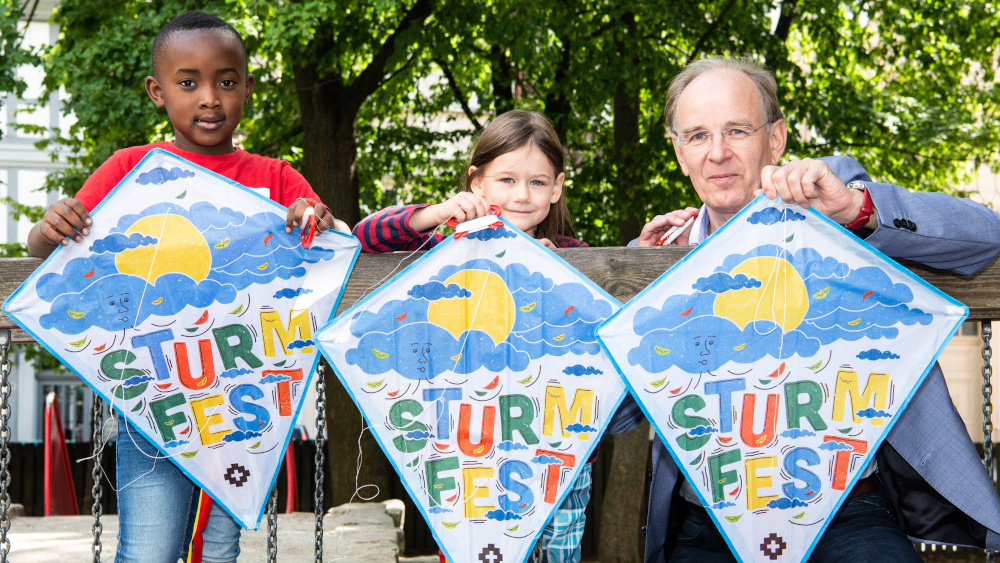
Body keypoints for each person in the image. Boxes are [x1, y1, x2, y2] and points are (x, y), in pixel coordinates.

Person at [609, 57, 1000, 563]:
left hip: (846, 515)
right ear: (680, 153)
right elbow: (617, 417)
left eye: (737, 130)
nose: (718, 153)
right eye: (699, 136)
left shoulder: (828, 203)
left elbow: (985, 237)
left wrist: (858, 210)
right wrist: (635, 311)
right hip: (709, 527)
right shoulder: (658, 256)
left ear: (776, 138)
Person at [26, 11, 340, 563]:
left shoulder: (277, 177)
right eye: (188, 82)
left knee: (217, 552)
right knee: (147, 549)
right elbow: (49, 247)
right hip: (155, 402)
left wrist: (313, 217)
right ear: (157, 91)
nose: (210, 98)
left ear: (246, 87)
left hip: (243, 408)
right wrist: (47, 227)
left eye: (226, 81)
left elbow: (327, 235)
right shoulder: (130, 169)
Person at [354, 109, 592, 563]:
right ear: (476, 182)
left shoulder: (574, 254)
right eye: (506, 180)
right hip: (469, 452)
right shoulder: (446, 247)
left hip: (560, 453)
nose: (522, 195)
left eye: (537, 183)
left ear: (557, 187)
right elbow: (367, 238)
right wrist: (436, 214)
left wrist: (558, 275)